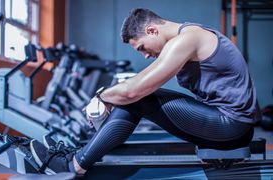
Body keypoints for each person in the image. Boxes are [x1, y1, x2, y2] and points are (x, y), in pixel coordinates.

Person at [30, 8, 260, 175]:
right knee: (134, 96)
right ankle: (82, 154)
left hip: (231, 126)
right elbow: (137, 83)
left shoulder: (188, 39)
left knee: (138, 98)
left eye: (142, 47)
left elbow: (134, 91)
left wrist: (101, 96)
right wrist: (111, 95)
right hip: (230, 126)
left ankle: (75, 165)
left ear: (151, 30)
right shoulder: (188, 35)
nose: (145, 55)